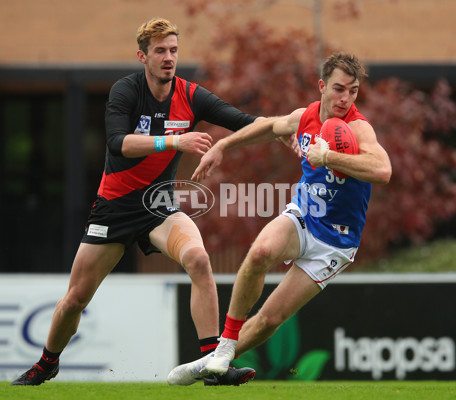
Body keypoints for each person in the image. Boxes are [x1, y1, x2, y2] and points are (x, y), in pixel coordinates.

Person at [11, 17, 259, 386]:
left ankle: (211, 364)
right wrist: (175, 141)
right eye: (160, 51)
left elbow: (244, 121)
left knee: (199, 259)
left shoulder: (190, 96)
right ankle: (47, 363)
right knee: (75, 299)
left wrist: (292, 129)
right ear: (142, 55)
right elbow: (118, 144)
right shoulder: (126, 91)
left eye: (173, 50)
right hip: (114, 208)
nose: (168, 57)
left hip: (159, 208)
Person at [167, 52, 392, 385]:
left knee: (270, 320)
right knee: (260, 253)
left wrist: (328, 156)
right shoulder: (306, 117)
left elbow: (383, 170)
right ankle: (224, 347)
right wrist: (223, 146)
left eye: (353, 91)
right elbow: (270, 126)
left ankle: (208, 364)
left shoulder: (359, 129)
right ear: (322, 86)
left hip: (336, 243)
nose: (346, 99)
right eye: (339, 89)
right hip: (305, 215)